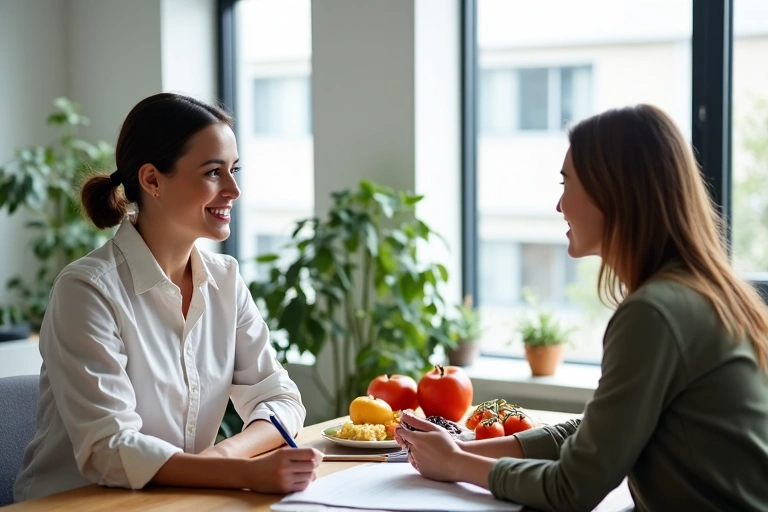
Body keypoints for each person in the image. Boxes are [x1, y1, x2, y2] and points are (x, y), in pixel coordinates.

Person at [396, 105, 768, 511]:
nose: (559, 205)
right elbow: (599, 434)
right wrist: (465, 448)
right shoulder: (699, 293)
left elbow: (572, 488)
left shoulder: (655, 313)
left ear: (612, 194)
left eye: (566, 182)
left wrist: (455, 464)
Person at [14, 93, 322, 502]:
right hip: (78, 505)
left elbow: (279, 397)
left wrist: (226, 457)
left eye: (234, 170)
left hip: (182, 498)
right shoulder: (87, 290)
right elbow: (111, 450)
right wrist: (237, 473)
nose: (234, 189)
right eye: (214, 172)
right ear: (152, 180)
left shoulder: (225, 280)